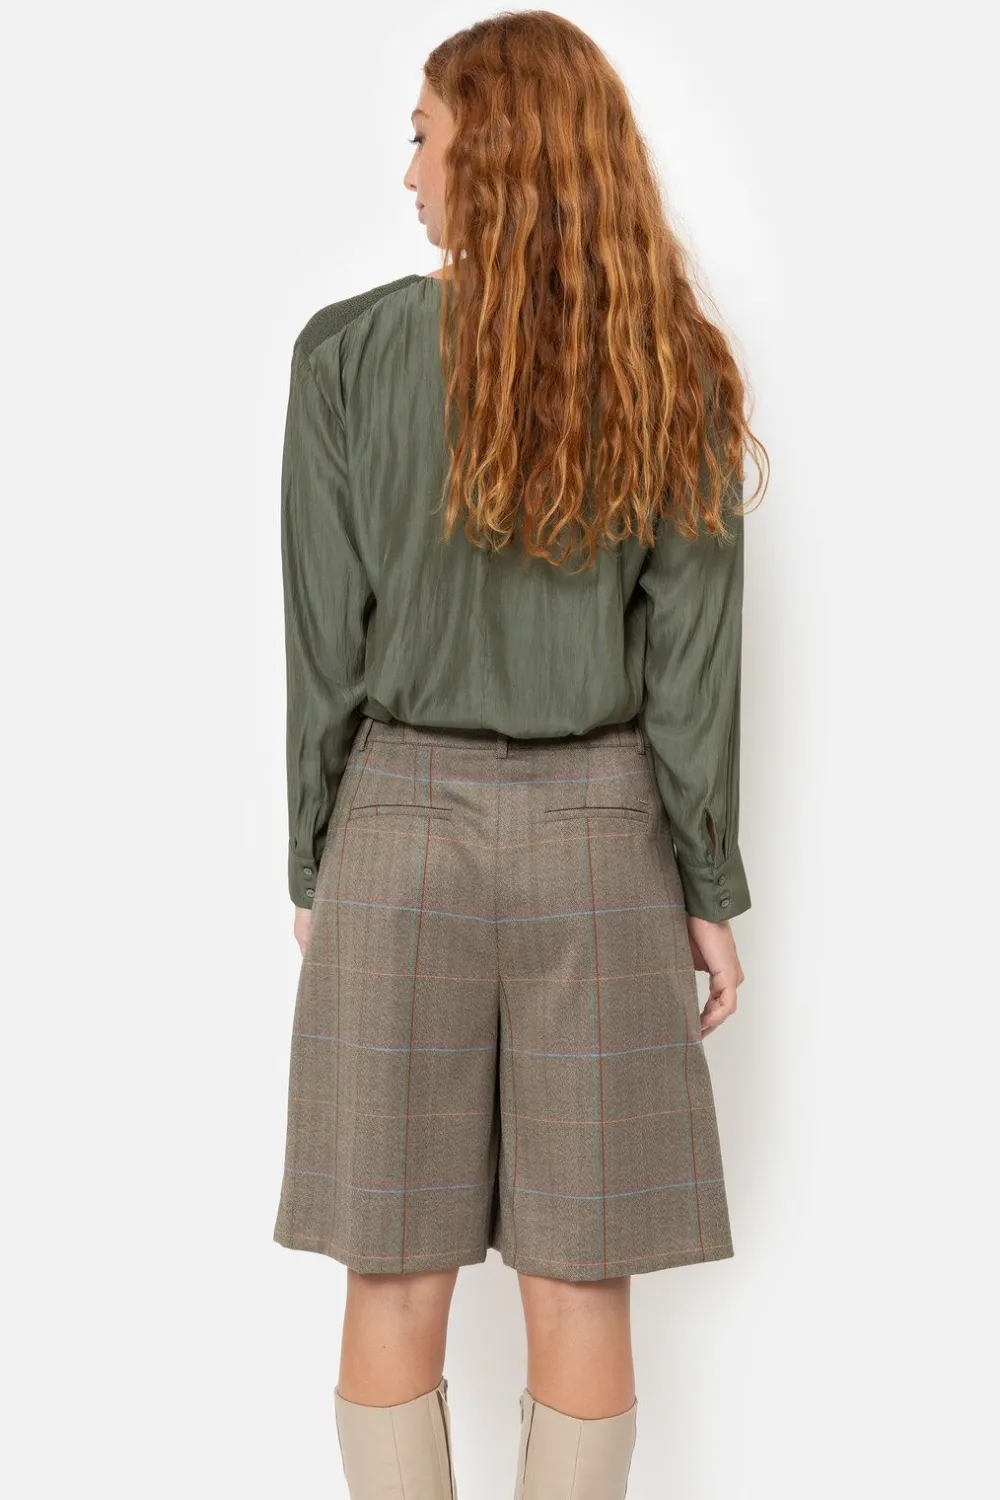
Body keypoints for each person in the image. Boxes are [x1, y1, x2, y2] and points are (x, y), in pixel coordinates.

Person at [271, 12, 767, 1499]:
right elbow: (692, 668)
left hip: (399, 832)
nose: (408, 170)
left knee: (391, 1267)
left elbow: (323, 644)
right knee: (581, 1274)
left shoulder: (350, 356)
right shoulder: (664, 363)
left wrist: (317, 857)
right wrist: (706, 886)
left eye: (423, 135)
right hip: (604, 840)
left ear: (488, 155)